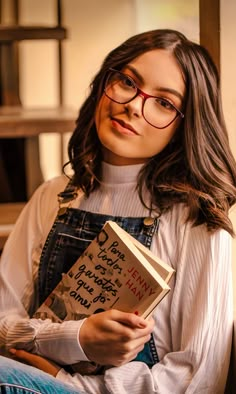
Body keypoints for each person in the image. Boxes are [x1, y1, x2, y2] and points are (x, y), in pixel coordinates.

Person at [0, 28, 235, 394]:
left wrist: (65, 381)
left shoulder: (198, 221)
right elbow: (2, 320)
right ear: (104, 82)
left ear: (184, 126)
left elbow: (196, 379)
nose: (134, 106)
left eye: (164, 103)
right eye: (128, 81)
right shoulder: (54, 196)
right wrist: (76, 337)